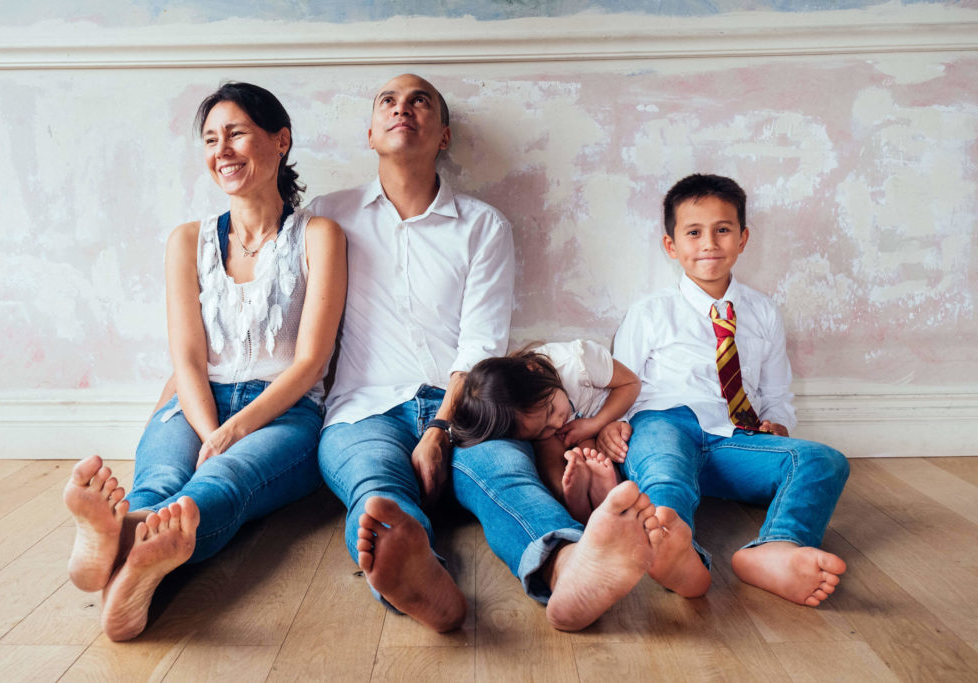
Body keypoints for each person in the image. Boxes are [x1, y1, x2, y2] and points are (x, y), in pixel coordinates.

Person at [310, 73, 661, 635]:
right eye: (389, 102)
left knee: (504, 475)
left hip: (469, 409)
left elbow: (479, 347)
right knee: (376, 489)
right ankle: (420, 582)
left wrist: (442, 430)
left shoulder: (482, 226)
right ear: (370, 132)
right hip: (362, 408)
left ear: (443, 135)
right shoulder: (327, 217)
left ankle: (567, 565)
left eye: (420, 100)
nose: (404, 109)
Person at [62, 82, 347, 641]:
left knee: (224, 478)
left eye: (237, 133)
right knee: (163, 478)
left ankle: (117, 541)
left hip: (284, 415)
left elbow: (312, 361)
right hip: (194, 402)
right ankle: (128, 557)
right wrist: (210, 427)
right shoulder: (186, 240)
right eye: (211, 139)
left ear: (280, 140)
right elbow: (188, 358)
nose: (223, 150)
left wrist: (235, 430)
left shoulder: (319, 235)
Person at [597, 173, 849, 606]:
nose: (709, 242)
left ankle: (778, 547)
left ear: (742, 238)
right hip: (664, 423)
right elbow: (620, 382)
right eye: (694, 232)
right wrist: (612, 425)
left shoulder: (763, 311)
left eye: (723, 229)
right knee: (666, 472)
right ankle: (678, 552)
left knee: (823, 460)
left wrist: (779, 425)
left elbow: (777, 392)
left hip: (734, 438)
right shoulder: (651, 312)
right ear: (671, 246)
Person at [450, 340, 640, 523]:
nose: (556, 423)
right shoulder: (535, 421)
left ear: (535, 369)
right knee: (548, 447)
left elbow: (631, 383)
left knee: (592, 453)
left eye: (550, 410)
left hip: (601, 416)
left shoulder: (578, 362)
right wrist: (546, 436)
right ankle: (570, 497)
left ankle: (603, 495)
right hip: (571, 435)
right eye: (541, 429)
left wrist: (595, 424)